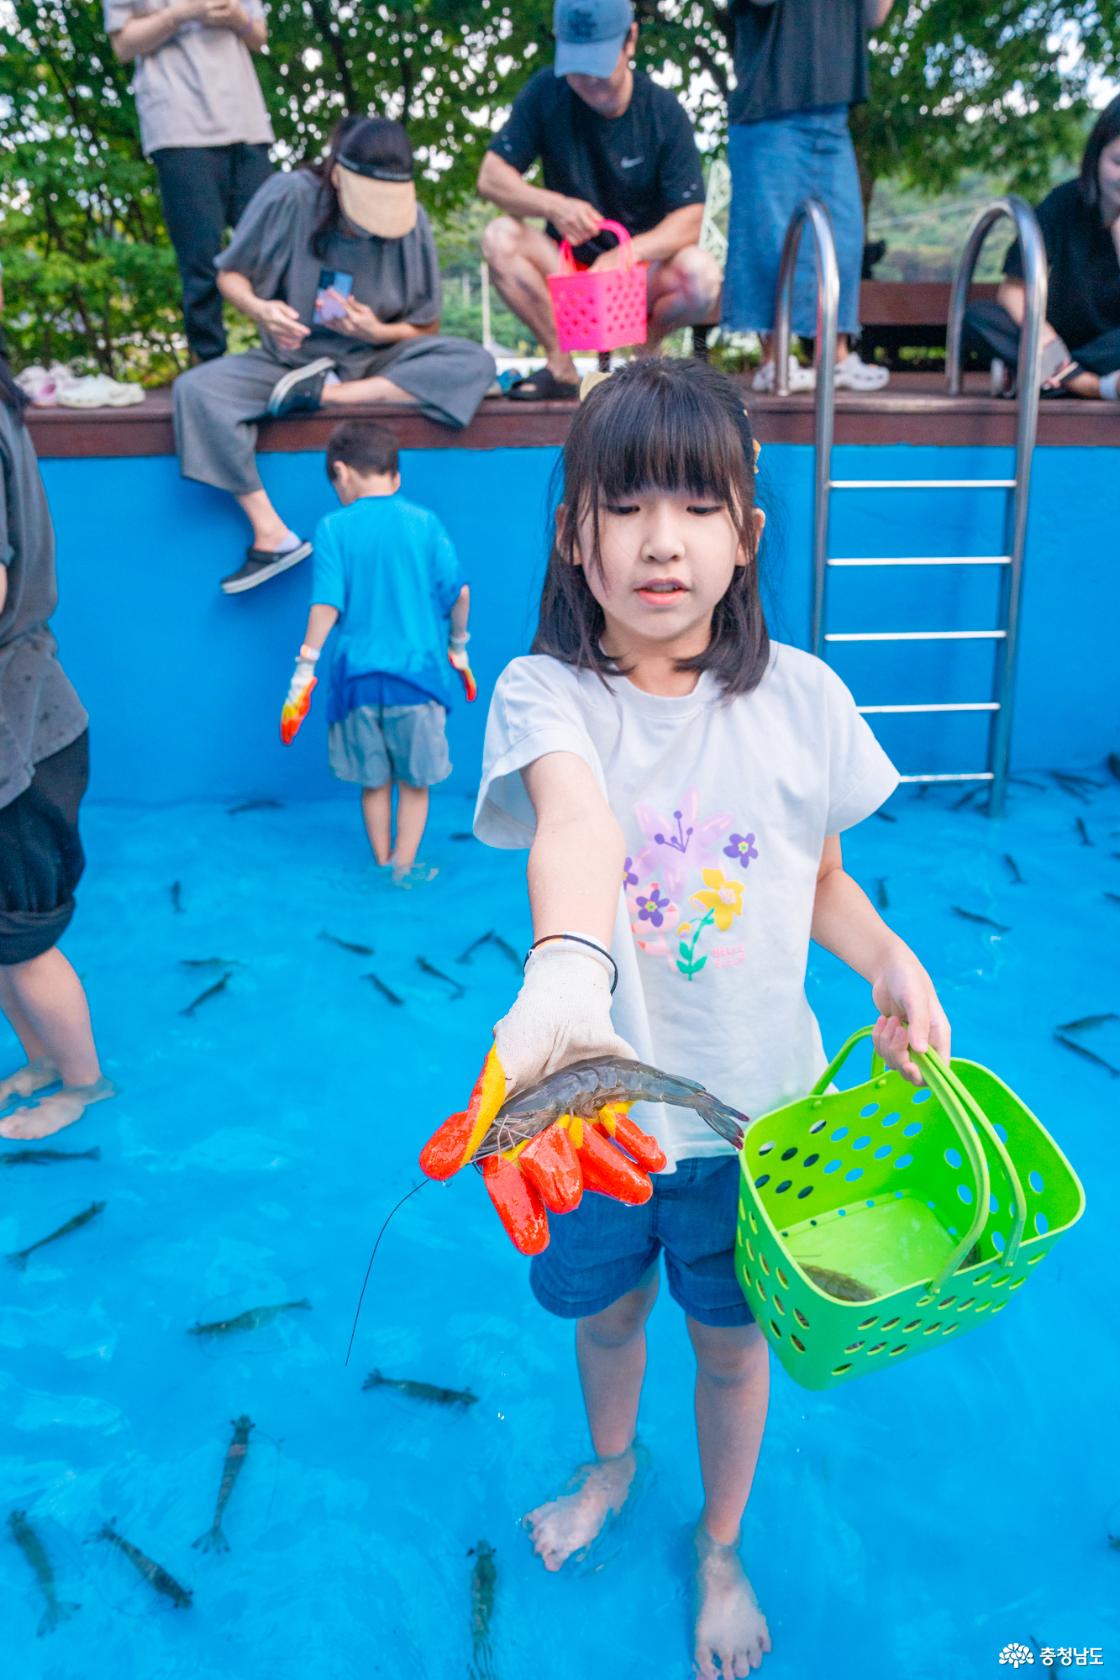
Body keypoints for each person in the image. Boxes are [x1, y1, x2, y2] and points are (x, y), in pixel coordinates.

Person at [430, 360, 950, 1677]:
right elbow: (578, 826)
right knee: (606, 1320)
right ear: (574, 536)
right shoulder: (553, 696)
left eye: (698, 505)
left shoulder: (807, 701)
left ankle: (719, 1543)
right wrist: (562, 973)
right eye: (625, 504)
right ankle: (610, 1466)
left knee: (731, 1352)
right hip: (600, 1126)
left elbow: (822, 879)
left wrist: (887, 957)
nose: (662, 539)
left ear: (746, 536)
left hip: (759, 1136)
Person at [173, 115, 496, 595]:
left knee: (476, 362)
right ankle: (270, 533)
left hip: (374, 362)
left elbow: (427, 324)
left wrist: (377, 329)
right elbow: (229, 276)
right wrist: (263, 311)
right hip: (289, 366)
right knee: (194, 390)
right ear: (339, 176)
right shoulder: (289, 196)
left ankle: (334, 396)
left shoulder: (414, 221)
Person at [478, 0, 719, 400]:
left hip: (639, 276)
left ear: (630, 42)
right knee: (499, 236)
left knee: (701, 273)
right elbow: (490, 176)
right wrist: (553, 205)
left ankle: (645, 355)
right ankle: (561, 363)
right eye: (577, 67)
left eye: (599, 65)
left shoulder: (663, 111)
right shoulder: (545, 92)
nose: (589, 80)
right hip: (568, 269)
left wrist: (627, 254)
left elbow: (690, 219)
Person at [0, 331, 112, 1140]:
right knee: (6, 932)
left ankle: (84, 1085)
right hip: (32, 712)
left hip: (20, 737)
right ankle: (42, 1063)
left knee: (28, 938)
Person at [279, 420, 472, 885]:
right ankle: (403, 871)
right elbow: (460, 594)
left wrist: (303, 671)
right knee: (415, 784)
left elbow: (327, 603)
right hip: (418, 679)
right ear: (396, 475)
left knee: (373, 783)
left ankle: (380, 860)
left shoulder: (333, 527)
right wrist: (458, 647)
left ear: (341, 473)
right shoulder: (424, 523)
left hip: (356, 683)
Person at [722, 0, 894, 393]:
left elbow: (874, 14)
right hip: (770, 106)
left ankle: (834, 355)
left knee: (844, 236)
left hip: (833, 109)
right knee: (772, 238)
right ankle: (773, 359)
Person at [106, 0, 274, 364]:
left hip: (246, 123)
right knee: (201, 261)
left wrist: (238, 18)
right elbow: (122, 45)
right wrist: (182, 12)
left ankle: (286, 356)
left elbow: (259, 36)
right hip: (178, 126)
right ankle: (209, 367)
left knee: (271, 250)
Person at [965, 94, 1120, 402]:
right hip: (1053, 339)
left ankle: (1037, 376)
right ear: (1096, 158)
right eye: (1118, 163)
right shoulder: (1064, 203)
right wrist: (1045, 342)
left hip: (1114, 347)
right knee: (978, 317)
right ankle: (1088, 385)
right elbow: (1012, 292)